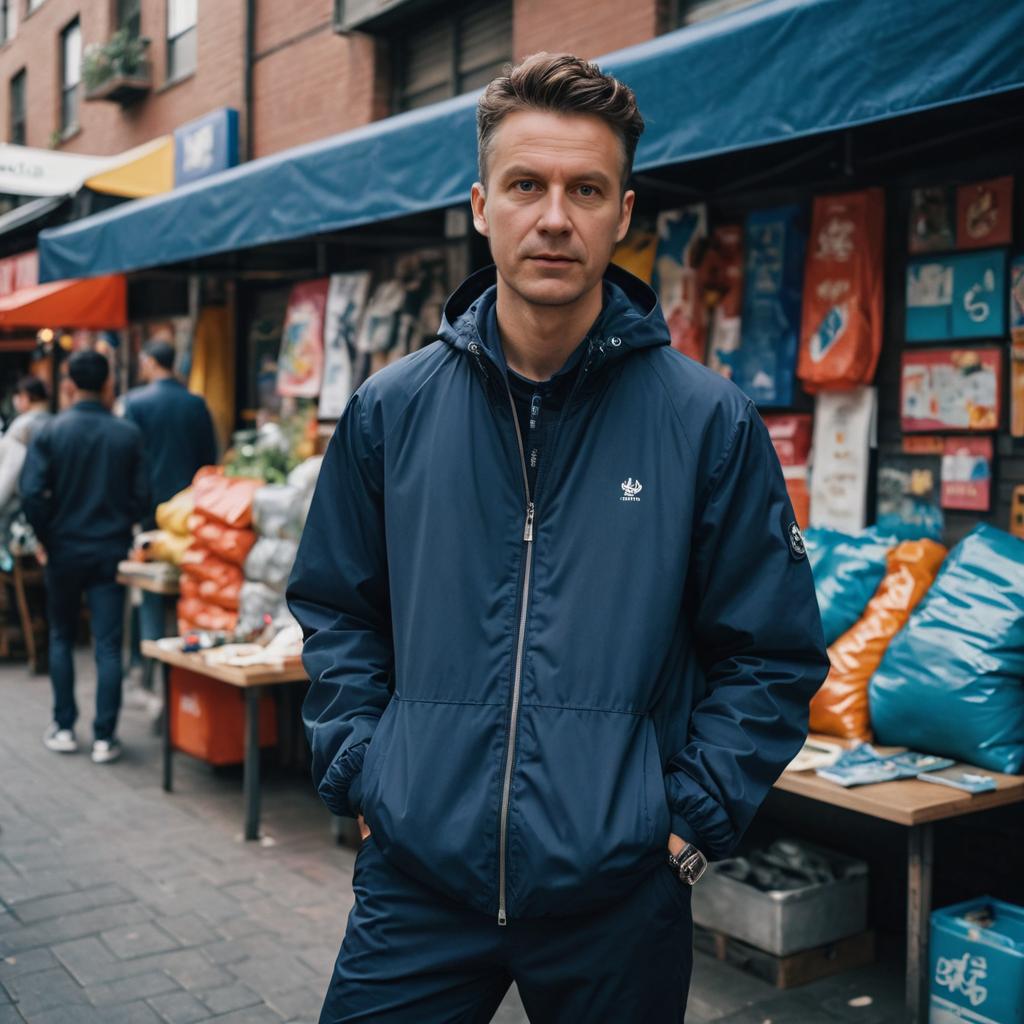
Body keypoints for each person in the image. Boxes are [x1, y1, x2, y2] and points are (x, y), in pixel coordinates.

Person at [287, 53, 828, 1023]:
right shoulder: (389, 413)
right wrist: (366, 769)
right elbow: (335, 607)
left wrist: (684, 826)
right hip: (418, 882)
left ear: (623, 215)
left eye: (585, 189)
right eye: (525, 185)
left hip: (618, 894)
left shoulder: (706, 422)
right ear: (479, 204)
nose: (553, 217)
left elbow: (771, 650)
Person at [21, 350, 148, 764]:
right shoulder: (126, 433)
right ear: (108, 383)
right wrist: (125, 525)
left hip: (63, 548)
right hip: (109, 548)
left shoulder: (51, 431)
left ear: (70, 385)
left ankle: (62, 726)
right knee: (108, 645)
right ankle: (104, 737)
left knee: (61, 636)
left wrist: (45, 537)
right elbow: (143, 497)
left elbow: (32, 494)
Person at [122, 339, 217, 647]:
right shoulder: (195, 403)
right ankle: (186, 645)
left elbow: (131, 460)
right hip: (191, 507)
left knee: (151, 583)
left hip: (152, 506)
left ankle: (151, 650)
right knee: (190, 579)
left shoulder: (135, 404)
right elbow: (209, 459)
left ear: (149, 361)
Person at [0, 376, 51, 537]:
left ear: (27, 397)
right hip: (47, 511)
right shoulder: (54, 424)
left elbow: (7, 477)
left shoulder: (19, 430)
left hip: (16, 511)